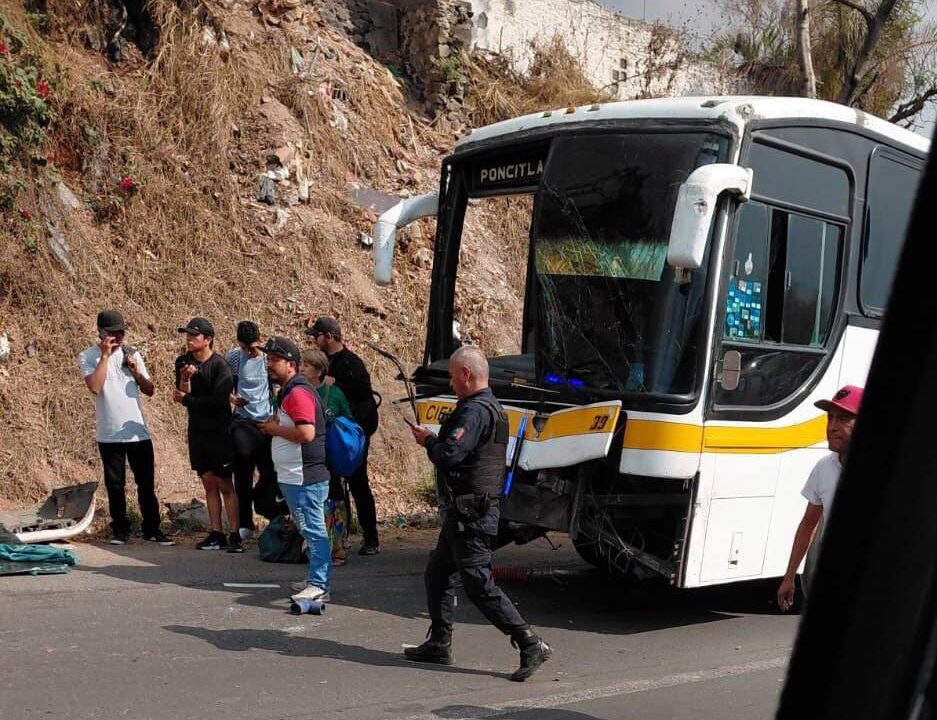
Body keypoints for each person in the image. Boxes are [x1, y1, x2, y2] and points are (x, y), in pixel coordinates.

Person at [407, 345, 551, 682]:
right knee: (438, 573)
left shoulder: (474, 412)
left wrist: (428, 442)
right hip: (466, 510)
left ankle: (530, 643)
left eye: (453, 377)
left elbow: (449, 455)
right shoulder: (490, 408)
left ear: (466, 375)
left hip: (471, 514)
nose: (451, 383)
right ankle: (439, 642)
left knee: (478, 584)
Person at [78, 310, 173, 546]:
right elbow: (95, 387)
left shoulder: (132, 354)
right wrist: (105, 356)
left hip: (137, 431)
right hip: (109, 433)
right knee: (115, 484)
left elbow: (150, 389)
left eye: (121, 332)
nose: (119, 337)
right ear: (101, 333)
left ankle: (152, 528)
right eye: (113, 333)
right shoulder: (88, 356)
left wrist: (135, 370)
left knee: (146, 483)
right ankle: (120, 529)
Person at [257, 337, 332, 602]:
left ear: (291, 364)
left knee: (313, 529)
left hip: (305, 476)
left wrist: (275, 430)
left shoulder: (298, 392)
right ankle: (315, 578)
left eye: (275, 360)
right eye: (268, 360)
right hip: (294, 475)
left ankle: (319, 584)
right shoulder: (289, 391)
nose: (270, 364)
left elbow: (307, 432)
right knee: (307, 529)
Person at [777, 385, 863, 612]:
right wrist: (789, 576)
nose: (832, 427)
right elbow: (808, 524)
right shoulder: (824, 467)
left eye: (843, 419)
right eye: (830, 418)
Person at [306, 316, 380, 556]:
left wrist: (335, 382)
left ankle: (371, 538)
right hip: (329, 432)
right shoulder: (325, 362)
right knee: (333, 486)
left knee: (358, 483)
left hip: (350, 435)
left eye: (317, 335)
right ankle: (340, 535)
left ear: (329, 336)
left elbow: (363, 391)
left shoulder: (350, 362)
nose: (314, 340)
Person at [172, 317, 242, 553]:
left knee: (225, 483)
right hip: (197, 431)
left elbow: (218, 401)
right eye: (188, 335)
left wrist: (187, 399)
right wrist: (185, 378)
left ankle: (235, 533)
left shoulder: (220, 365)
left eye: (194, 335)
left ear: (208, 339)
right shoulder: (183, 361)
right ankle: (216, 533)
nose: (189, 339)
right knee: (208, 482)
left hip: (219, 431)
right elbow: (179, 394)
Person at [302, 348, 355, 566]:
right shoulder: (298, 391)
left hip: (331, 456)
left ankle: (337, 548)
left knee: (334, 501)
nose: (301, 368)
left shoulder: (334, 393)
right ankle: (315, 549)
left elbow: (348, 420)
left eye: (306, 365)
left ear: (319, 370)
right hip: (307, 456)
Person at [226, 320, 277, 541]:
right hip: (243, 421)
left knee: (270, 473)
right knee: (242, 474)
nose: (250, 352)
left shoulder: (269, 358)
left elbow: (278, 387)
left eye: (253, 347)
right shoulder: (235, 357)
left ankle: (273, 515)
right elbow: (227, 385)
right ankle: (245, 522)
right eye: (246, 348)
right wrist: (233, 398)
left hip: (266, 422)